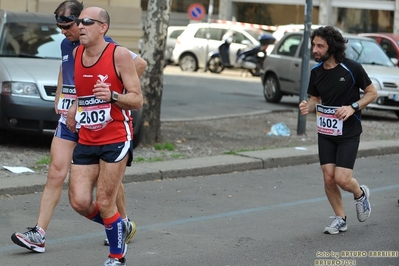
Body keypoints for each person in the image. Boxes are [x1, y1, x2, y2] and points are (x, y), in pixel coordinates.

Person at [10, 0, 146, 253]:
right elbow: (66, 69)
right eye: (61, 26)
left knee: (107, 183)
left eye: (70, 25)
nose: (66, 31)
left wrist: (112, 93)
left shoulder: (106, 44)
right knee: (55, 172)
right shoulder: (67, 45)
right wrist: (61, 97)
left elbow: (140, 65)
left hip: (101, 120)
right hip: (71, 116)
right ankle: (39, 233)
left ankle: (121, 223)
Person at [67, 6, 143, 266]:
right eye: (78, 22)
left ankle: (117, 256)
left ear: (103, 27)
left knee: (105, 200)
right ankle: (119, 227)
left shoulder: (119, 55)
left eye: (87, 22)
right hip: (87, 138)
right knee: (79, 201)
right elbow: (82, 93)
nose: (80, 26)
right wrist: (75, 109)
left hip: (115, 138)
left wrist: (112, 95)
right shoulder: (76, 53)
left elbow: (137, 99)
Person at [298, 26, 378, 235]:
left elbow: (372, 93)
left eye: (320, 46)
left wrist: (353, 107)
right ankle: (340, 218)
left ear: (331, 47)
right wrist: (308, 105)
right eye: (314, 45)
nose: (315, 50)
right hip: (326, 132)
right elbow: (315, 98)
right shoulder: (316, 72)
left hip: (349, 132)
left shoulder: (352, 68)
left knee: (342, 179)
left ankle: (360, 194)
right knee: (328, 178)